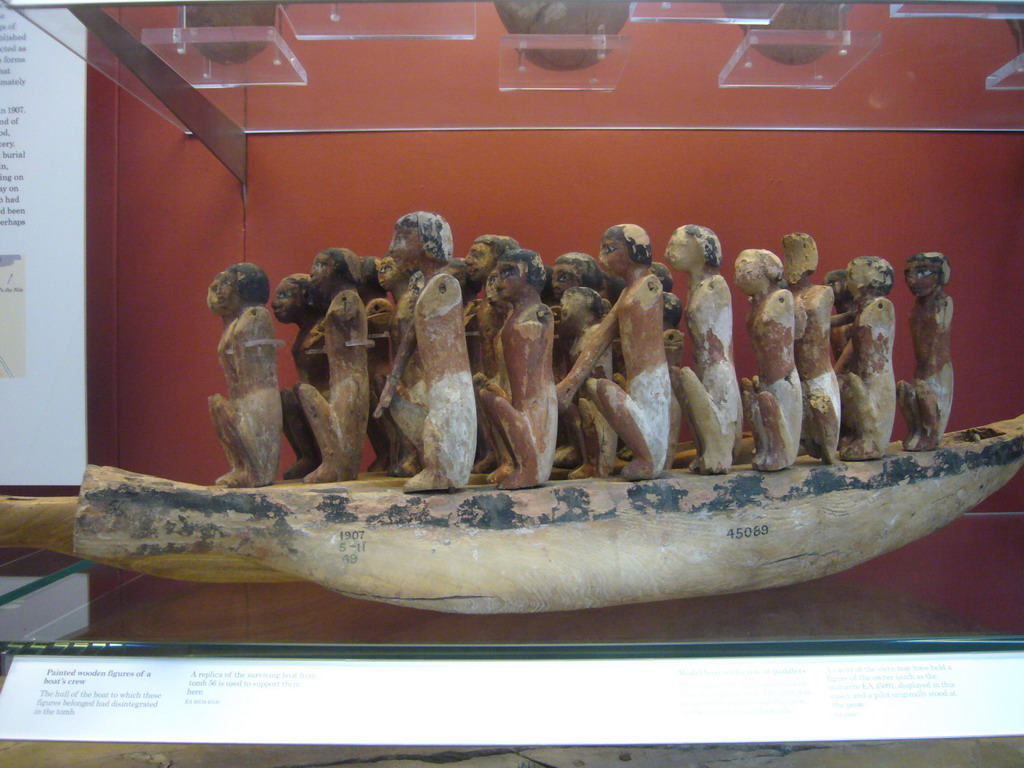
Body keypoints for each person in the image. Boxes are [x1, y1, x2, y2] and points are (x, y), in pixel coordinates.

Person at [557, 224, 670, 480]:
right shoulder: (629, 292)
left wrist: (570, 383)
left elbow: (602, 338)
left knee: (605, 388)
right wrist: (569, 383)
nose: (602, 257)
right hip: (640, 379)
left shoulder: (649, 286)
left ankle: (649, 459)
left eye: (610, 249)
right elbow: (600, 339)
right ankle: (647, 455)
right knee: (601, 389)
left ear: (634, 250)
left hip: (651, 378)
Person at [374, 212, 476, 492]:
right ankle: (435, 467)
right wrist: (393, 380)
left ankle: (441, 471)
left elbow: (418, 335)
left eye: (404, 238)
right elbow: (412, 335)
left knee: (440, 424)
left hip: (448, 381)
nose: (394, 247)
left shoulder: (445, 285)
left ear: (429, 241)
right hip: (437, 381)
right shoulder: (427, 284)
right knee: (402, 409)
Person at [663, 224, 742, 474]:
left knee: (711, 410)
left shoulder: (715, 285)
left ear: (700, 250)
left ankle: (718, 454)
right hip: (704, 364)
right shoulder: (696, 286)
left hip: (716, 368)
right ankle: (707, 451)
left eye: (679, 246)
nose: (668, 253)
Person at [478, 248, 558, 489]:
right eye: (498, 275)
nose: (500, 283)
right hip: (532, 412)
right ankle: (520, 462)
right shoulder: (519, 317)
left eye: (508, 273)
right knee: (488, 395)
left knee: (490, 397)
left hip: (535, 417)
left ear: (529, 277)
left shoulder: (528, 321)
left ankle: (529, 467)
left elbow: (527, 395)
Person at [296, 248, 370, 484]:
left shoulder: (346, 300)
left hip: (349, 379)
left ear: (338, 269)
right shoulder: (340, 300)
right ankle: (336, 466)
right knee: (339, 426)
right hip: (343, 378)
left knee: (343, 428)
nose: (313, 272)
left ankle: (338, 467)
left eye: (320, 265)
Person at [207, 263, 282, 488]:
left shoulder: (255, 314)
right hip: (242, 395)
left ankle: (255, 471)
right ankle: (241, 467)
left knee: (240, 426)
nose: (220, 290)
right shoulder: (235, 320)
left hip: (256, 396)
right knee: (218, 408)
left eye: (228, 283)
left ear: (244, 287)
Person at [736, 249, 802, 472]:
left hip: (782, 379)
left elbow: (799, 331)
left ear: (768, 269)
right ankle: (767, 449)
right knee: (761, 409)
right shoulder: (757, 303)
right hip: (767, 378)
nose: (739, 272)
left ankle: (779, 453)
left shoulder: (781, 299)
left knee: (775, 416)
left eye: (745, 265)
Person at [782, 232, 840, 464]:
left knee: (824, 428)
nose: (791, 265)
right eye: (788, 258)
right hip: (794, 374)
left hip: (817, 372)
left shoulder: (821, 293)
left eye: (795, 257)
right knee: (798, 431)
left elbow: (818, 324)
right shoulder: (783, 296)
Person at [835, 256, 897, 460]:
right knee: (856, 401)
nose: (846, 281)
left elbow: (868, 343)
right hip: (864, 373)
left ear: (870, 279)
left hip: (875, 375)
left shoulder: (880, 307)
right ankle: (859, 436)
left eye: (851, 274)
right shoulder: (864, 309)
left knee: (866, 404)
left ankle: (872, 441)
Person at [558, 286, 617, 478]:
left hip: (596, 393)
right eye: (562, 301)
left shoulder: (595, 332)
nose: (563, 306)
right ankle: (590, 462)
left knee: (597, 426)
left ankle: (598, 465)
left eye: (569, 299)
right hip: (585, 395)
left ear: (589, 306)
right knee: (587, 426)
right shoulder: (580, 336)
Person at [271, 273, 325, 479]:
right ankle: (309, 456)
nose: (275, 304)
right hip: (310, 398)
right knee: (286, 398)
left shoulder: (324, 328)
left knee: (296, 394)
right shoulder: (306, 331)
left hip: (326, 399)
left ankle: (322, 457)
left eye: (284, 295)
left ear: (306, 296)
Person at [898, 251, 953, 451]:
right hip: (921, 371)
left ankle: (930, 435)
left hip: (937, 372)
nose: (912, 279)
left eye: (922, 272)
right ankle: (918, 431)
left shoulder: (943, 303)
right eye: (908, 273)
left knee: (924, 394)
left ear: (940, 275)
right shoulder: (916, 308)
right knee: (904, 390)